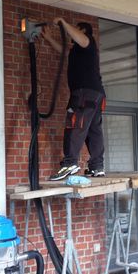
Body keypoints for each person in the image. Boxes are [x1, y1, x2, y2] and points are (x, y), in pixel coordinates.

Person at [41, 17, 106, 181]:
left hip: (84, 93)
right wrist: (48, 38)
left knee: (75, 125)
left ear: (82, 31)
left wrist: (63, 22)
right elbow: (64, 51)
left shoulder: (87, 42)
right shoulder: (78, 51)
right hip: (96, 94)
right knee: (93, 131)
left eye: (77, 29)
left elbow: (80, 38)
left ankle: (69, 163)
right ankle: (97, 167)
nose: (72, 34)